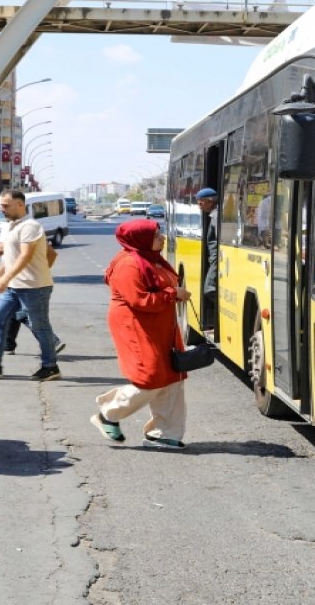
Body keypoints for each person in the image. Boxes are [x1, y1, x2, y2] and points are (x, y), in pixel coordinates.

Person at [91, 219, 191, 449]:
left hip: (160, 326)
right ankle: (109, 412)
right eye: (156, 235)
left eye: (160, 233)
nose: (162, 238)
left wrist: (171, 293)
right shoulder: (129, 264)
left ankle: (164, 433)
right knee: (151, 377)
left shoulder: (151, 259)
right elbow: (140, 300)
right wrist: (172, 294)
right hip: (137, 326)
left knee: (172, 377)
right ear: (142, 239)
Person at [0, 189, 61, 381]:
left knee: (40, 326)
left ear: (20, 204)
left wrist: (4, 279)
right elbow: (8, 256)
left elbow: (25, 255)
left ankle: (50, 366)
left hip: (34, 287)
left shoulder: (30, 226)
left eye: (5, 205)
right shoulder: (9, 226)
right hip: (13, 287)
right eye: (1, 205)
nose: (2, 209)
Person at [195, 187, 219, 331]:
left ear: (210, 201)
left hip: (217, 260)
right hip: (214, 259)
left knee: (209, 289)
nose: (200, 206)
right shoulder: (213, 215)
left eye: (201, 203)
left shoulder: (216, 216)